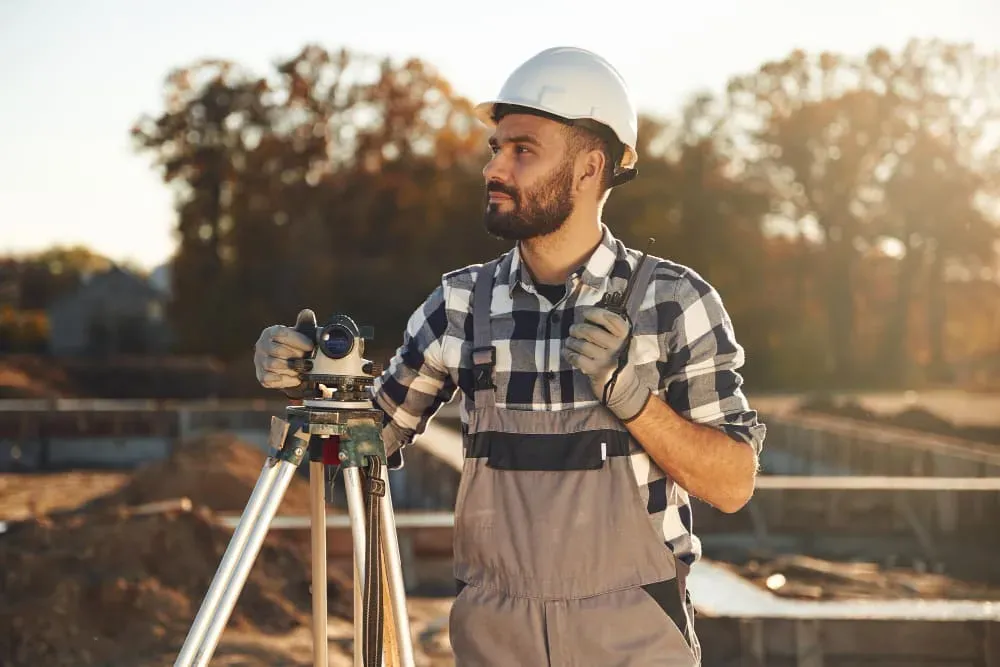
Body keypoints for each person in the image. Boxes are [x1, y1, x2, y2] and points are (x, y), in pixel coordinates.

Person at [254, 46, 765, 667]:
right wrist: (309, 385)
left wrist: (632, 398)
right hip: (496, 641)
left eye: (522, 150)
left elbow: (732, 484)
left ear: (589, 168)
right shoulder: (461, 304)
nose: (494, 167)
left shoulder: (673, 302)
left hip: (634, 642)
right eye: (496, 148)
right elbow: (362, 449)